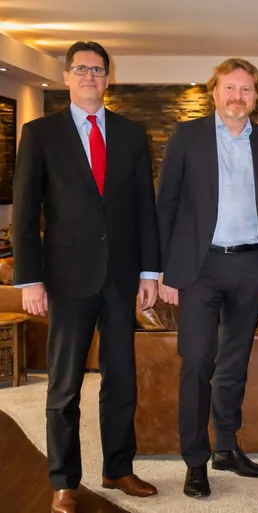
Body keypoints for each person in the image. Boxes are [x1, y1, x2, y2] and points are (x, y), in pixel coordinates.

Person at [12, 40, 160, 513]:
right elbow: (24, 213)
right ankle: (63, 481)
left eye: (97, 70)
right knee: (64, 385)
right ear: (66, 77)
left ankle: (118, 468)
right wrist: (28, 279)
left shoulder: (131, 134)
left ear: (108, 78)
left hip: (120, 277)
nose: (90, 76)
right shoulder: (40, 134)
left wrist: (150, 271)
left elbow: (145, 208)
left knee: (121, 380)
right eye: (81, 69)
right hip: (66, 278)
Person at [155, 58, 258, 498]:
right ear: (214, 91)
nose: (237, 96)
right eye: (229, 87)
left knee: (234, 361)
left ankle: (226, 447)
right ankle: (196, 461)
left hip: (251, 266)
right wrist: (164, 270)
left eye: (246, 89)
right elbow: (166, 205)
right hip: (199, 268)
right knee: (196, 362)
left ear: (256, 97)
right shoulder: (187, 136)